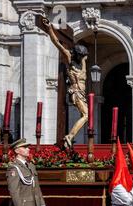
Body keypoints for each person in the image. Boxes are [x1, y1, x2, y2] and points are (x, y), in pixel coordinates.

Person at [43, 18, 88, 149]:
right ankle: (70, 136)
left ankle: (70, 136)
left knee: (86, 116)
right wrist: (50, 28)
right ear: (77, 54)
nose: (83, 57)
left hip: (82, 93)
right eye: (81, 55)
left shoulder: (82, 61)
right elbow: (57, 42)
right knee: (86, 115)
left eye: (83, 56)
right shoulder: (69, 58)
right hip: (75, 92)